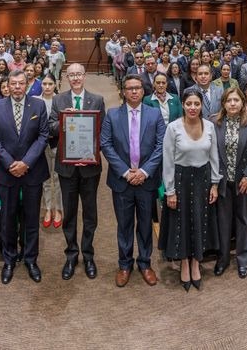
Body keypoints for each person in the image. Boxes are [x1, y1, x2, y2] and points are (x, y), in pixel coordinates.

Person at [100, 74, 165, 287]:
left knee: (145, 224)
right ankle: (125, 264)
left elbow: (161, 145)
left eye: (137, 88)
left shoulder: (155, 114)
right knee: (124, 225)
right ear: (123, 92)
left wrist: (144, 172)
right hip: (122, 181)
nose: (134, 91)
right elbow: (106, 145)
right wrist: (126, 173)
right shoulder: (112, 115)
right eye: (130, 88)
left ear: (143, 91)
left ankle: (145, 263)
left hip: (147, 181)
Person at [0, 70, 50, 284]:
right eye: (13, 83)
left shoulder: (38, 105)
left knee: (31, 219)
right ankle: (9, 260)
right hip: (6, 171)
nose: (16, 87)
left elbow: (43, 136)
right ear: (8, 85)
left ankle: (31, 259)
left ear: (26, 85)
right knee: (8, 219)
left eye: (21, 83)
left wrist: (26, 162)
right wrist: (10, 163)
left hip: (33, 171)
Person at [49, 63, 106, 281]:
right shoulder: (58, 100)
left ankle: (88, 255)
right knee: (70, 213)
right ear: (66, 77)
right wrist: (64, 120)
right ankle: (71, 255)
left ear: (84, 76)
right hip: (67, 168)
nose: (75, 78)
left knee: (90, 214)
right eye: (71, 74)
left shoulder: (97, 100)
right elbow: (50, 128)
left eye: (78, 74)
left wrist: (92, 154)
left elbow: (103, 131)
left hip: (90, 167)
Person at [161, 89, 220, 291]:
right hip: (180, 180)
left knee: (200, 221)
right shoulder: (173, 127)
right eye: (188, 104)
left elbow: (214, 157)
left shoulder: (209, 126)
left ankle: (196, 262)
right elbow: (168, 160)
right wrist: (170, 191)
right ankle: (184, 262)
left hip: (203, 179)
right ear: (183, 105)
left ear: (201, 105)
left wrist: (215, 184)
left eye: (196, 104)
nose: (192, 108)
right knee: (182, 222)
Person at [213, 86, 247, 279]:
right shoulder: (214, 122)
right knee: (223, 221)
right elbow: (211, 152)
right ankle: (223, 258)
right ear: (223, 103)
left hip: (244, 181)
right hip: (222, 180)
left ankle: (242, 258)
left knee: (243, 219)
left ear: (243, 102)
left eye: (236, 100)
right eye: (229, 100)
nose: (232, 104)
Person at [36, 75, 63, 230]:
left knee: (57, 178)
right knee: (45, 179)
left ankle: (58, 209)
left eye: (50, 84)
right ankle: (47, 209)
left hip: (57, 143)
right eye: (44, 84)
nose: (47, 87)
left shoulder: (61, 100)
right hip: (40, 144)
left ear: (55, 85)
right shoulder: (35, 100)